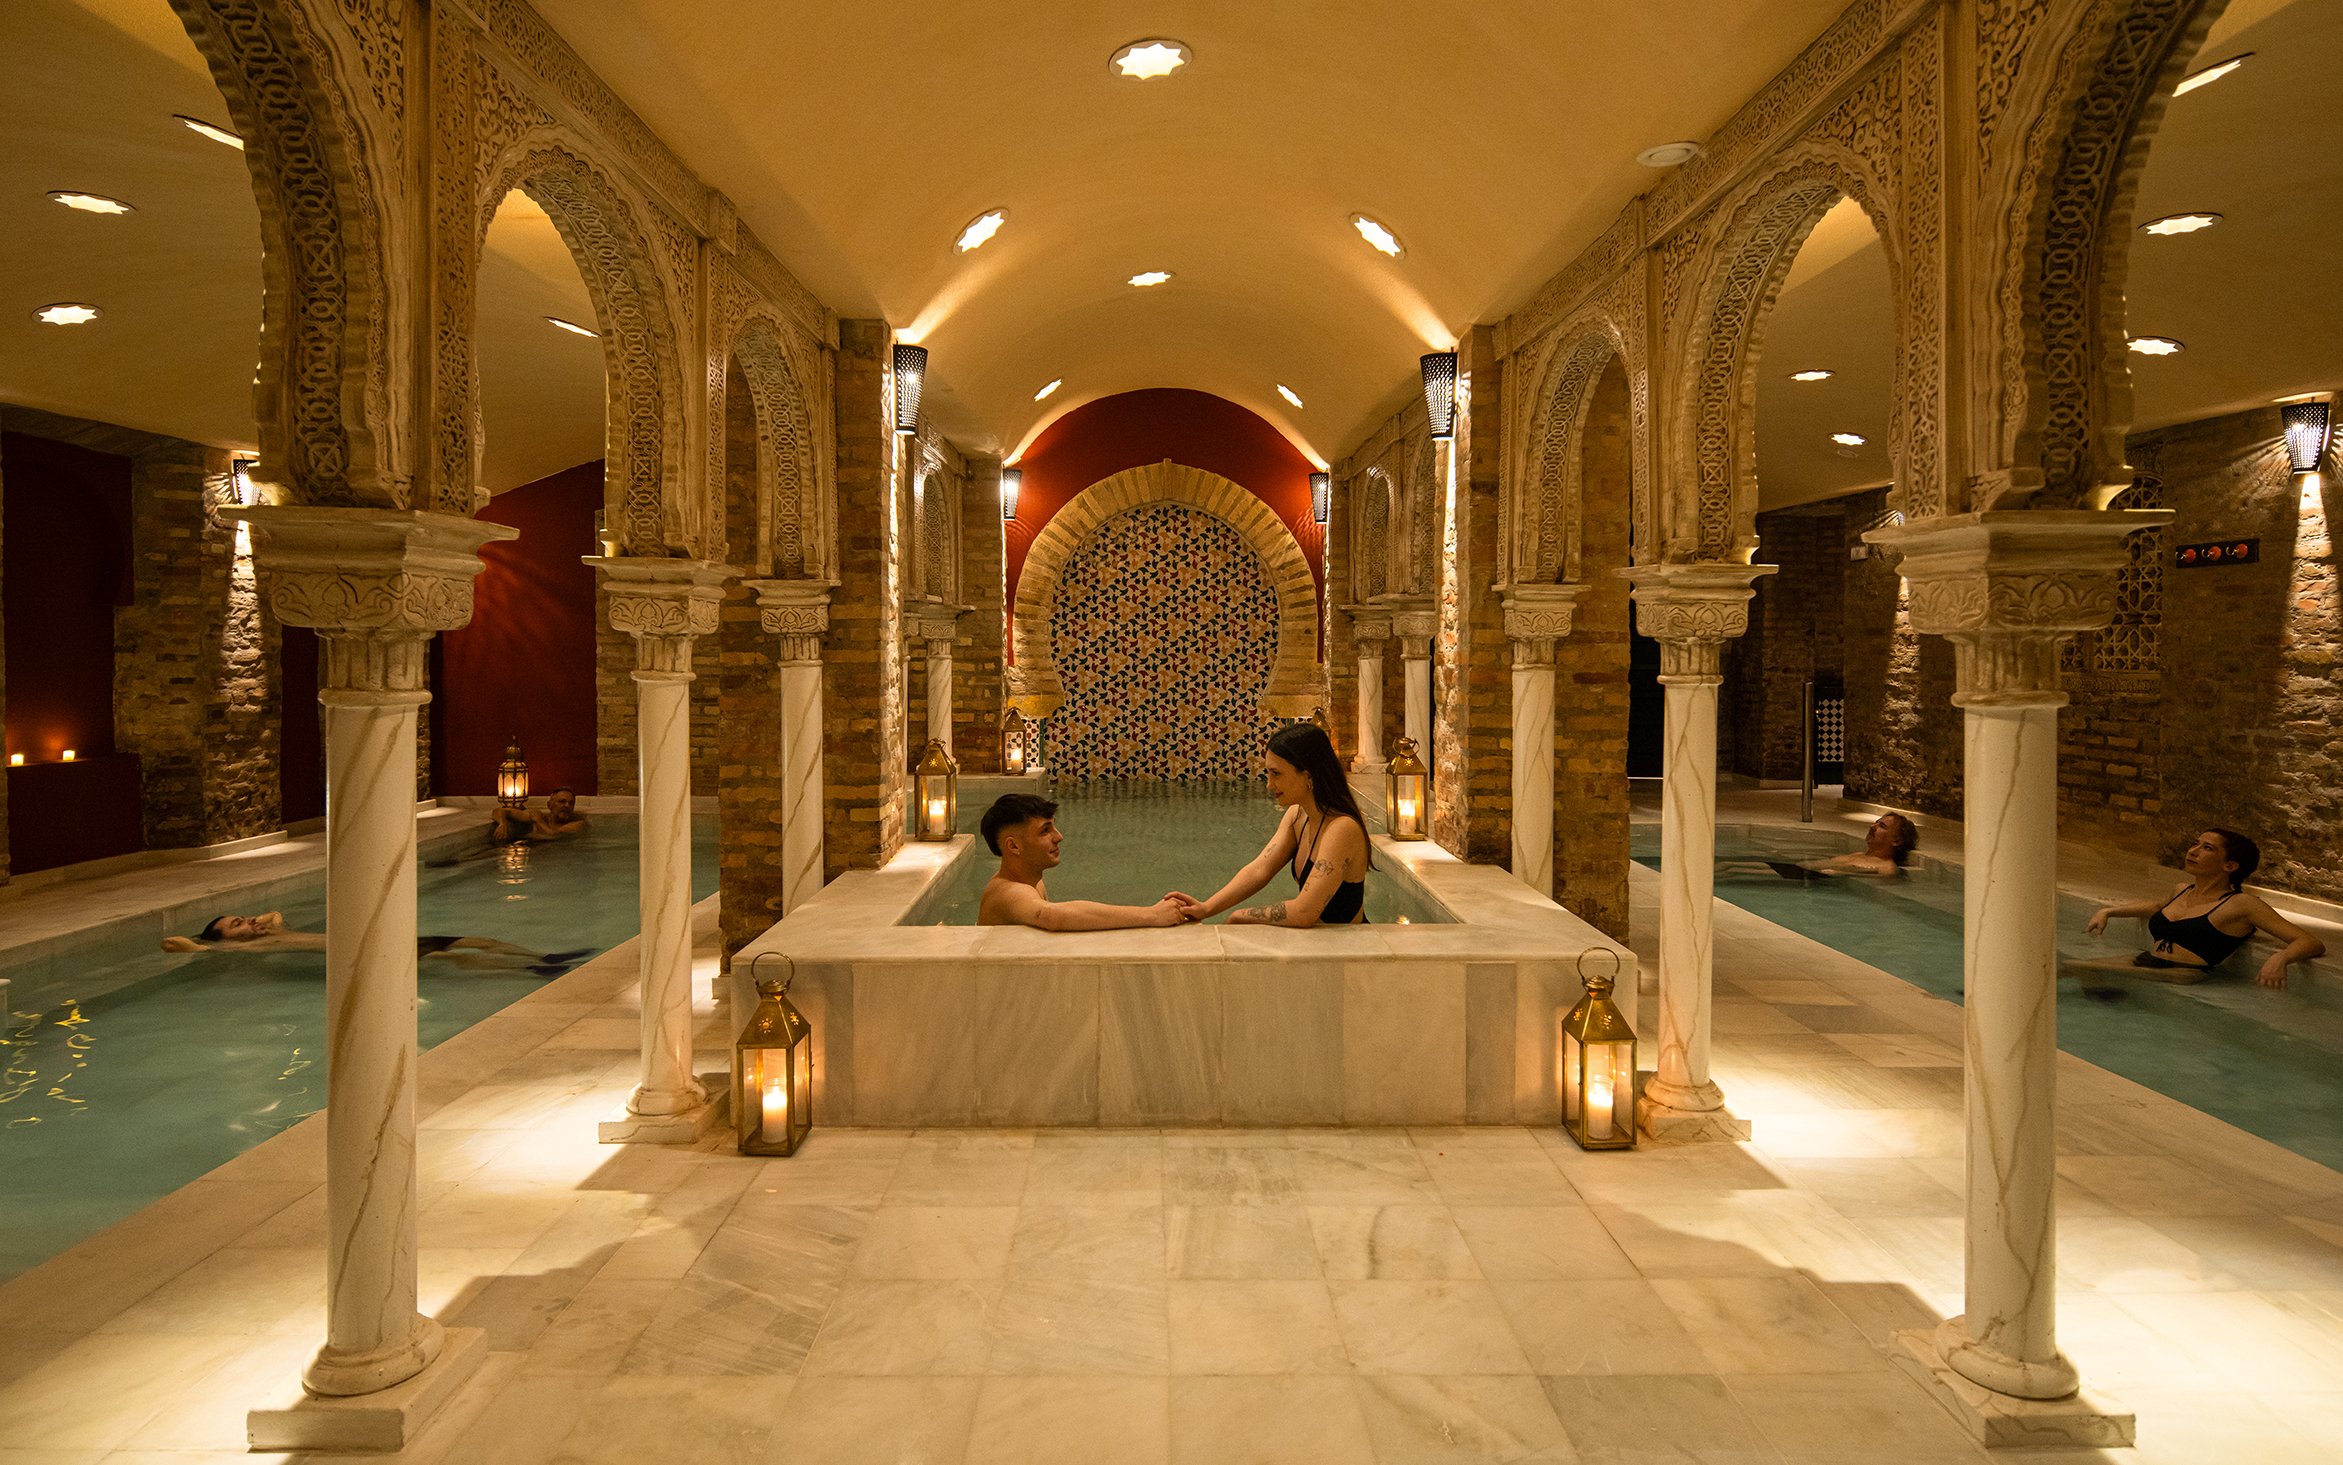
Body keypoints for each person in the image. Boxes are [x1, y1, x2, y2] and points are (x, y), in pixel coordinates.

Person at [2069, 829, 2325, 989]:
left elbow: (2310, 941)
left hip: (2184, 973)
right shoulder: (2181, 890)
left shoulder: (2241, 904)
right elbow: (2158, 906)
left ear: (2230, 866)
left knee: (2078, 968)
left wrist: (2281, 958)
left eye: (2207, 848)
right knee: (2069, 968)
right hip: (2149, 961)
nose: (2193, 851)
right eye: (2196, 843)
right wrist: (2108, 911)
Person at [1172, 723, 1372, 927]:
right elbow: (1260, 870)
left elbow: (1303, 911)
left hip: (1350, 944)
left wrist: (1240, 915)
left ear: (1308, 776)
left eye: (1276, 774)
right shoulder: (1298, 816)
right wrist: (1206, 908)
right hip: (1317, 941)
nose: (1269, 784)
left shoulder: (1342, 829)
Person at [977, 793, 1193, 930]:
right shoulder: (1009, 892)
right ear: (1014, 846)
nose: (1059, 837)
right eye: (1045, 831)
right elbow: (1052, 917)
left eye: (1053, 827)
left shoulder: (1033, 881)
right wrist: (1151, 915)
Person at [162, 910, 594, 975]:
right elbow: (183, 944)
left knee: (474, 941)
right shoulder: (245, 947)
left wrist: (257, 923)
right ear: (225, 939)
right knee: (456, 958)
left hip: (376, 943)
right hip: (368, 955)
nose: (247, 923)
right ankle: (530, 967)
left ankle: (540, 957)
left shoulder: (271, 930)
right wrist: (203, 942)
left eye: (242, 918)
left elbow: (273, 914)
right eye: (235, 924)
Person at [492, 787, 587, 844]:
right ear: (549, 805)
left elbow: (555, 836)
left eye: (571, 803)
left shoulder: (577, 824)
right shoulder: (538, 816)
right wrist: (502, 823)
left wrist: (539, 822)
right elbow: (499, 811)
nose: (567, 806)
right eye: (562, 802)